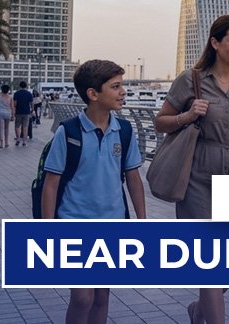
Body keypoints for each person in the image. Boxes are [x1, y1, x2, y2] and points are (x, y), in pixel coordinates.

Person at [154, 15, 229, 324]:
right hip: (197, 176)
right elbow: (160, 121)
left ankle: (199, 310)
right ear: (215, 43)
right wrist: (188, 115)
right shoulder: (191, 80)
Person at [41, 59, 146, 324]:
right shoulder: (69, 132)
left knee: (101, 296)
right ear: (93, 94)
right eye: (116, 86)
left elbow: (133, 177)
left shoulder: (123, 131)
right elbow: (51, 183)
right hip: (73, 224)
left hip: (113, 224)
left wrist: (142, 222)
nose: (123, 92)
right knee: (82, 298)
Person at [13, 81, 34, 146]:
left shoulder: (16, 93)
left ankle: (18, 139)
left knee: (17, 126)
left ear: (19, 86)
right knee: (25, 126)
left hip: (18, 112)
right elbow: (32, 103)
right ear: (26, 86)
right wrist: (32, 109)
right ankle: (24, 141)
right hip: (26, 112)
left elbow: (15, 104)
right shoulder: (29, 94)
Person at [0, 84, 14, 148]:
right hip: (8, 113)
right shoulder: (10, 97)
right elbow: (12, 107)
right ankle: (6, 142)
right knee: (7, 128)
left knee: (1, 128)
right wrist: (13, 115)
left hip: (0, 112)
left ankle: (1, 143)